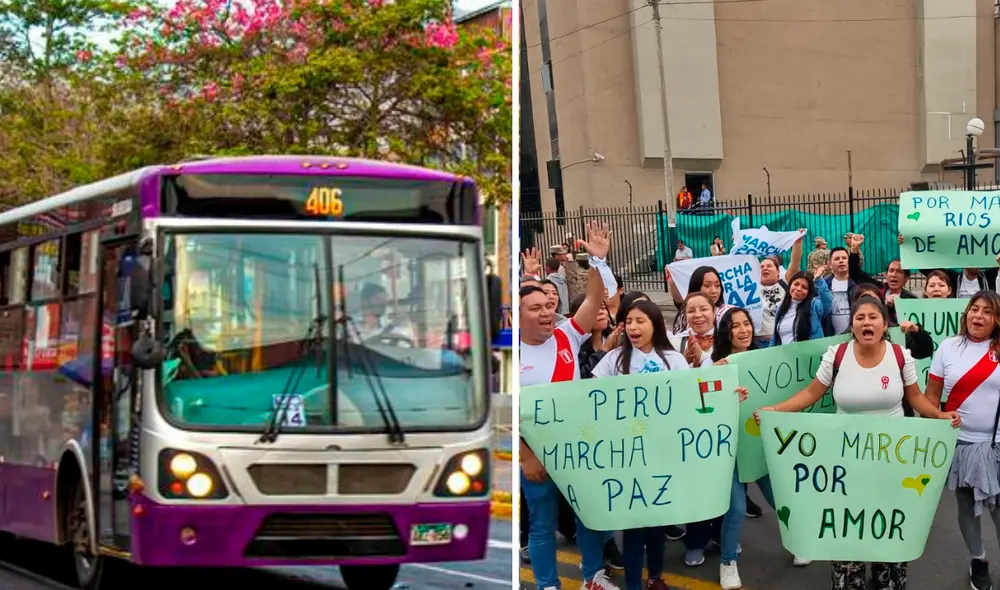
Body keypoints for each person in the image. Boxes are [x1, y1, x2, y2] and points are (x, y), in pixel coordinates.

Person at [757, 296, 960, 590]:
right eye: (860, 317)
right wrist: (776, 411)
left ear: (884, 323)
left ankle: (887, 580)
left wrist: (939, 415)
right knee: (848, 526)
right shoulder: (836, 355)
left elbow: (915, 397)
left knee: (887, 523)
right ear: (852, 324)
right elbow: (812, 393)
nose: (866, 322)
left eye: (873, 317)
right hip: (846, 465)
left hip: (891, 463)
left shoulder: (900, 355)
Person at [519, 220, 622, 590]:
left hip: (578, 447)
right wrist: (525, 455)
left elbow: (596, 300)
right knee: (542, 524)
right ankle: (548, 584)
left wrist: (597, 261)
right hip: (537, 454)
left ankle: (592, 576)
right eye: (534, 309)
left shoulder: (564, 334)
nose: (546, 312)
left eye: (548, 306)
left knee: (589, 515)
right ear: (517, 316)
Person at [592, 300, 690, 589]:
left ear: (655, 324)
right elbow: (591, 397)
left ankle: (655, 577)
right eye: (628, 322)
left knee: (657, 522)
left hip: (663, 453)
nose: (633, 327)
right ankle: (634, 583)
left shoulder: (674, 360)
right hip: (627, 457)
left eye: (640, 321)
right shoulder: (613, 361)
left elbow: (689, 400)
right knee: (633, 524)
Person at [711, 307, 812, 568]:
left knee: (779, 497)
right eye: (736, 326)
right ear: (726, 331)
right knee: (735, 508)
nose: (744, 330)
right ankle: (728, 562)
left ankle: (797, 541)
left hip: (759, 443)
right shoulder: (715, 366)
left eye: (747, 324)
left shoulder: (764, 358)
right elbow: (704, 409)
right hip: (730, 450)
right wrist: (718, 385)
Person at [924, 291, 1000, 590]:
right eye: (974, 309)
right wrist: (939, 416)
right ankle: (978, 560)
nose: (978, 316)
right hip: (962, 444)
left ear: (996, 320)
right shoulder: (948, 347)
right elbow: (931, 397)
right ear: (966, 313)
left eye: (987, 312)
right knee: (967, 505)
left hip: (997, 444)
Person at [846, 234, 915, 325]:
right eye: (891, 271)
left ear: (906, 278)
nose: (894, 275)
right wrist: (855, 248)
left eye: (899, 272)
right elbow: (855, 273)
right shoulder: (876, 289)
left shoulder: (911, 300)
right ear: (886, 274)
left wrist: (911, 246)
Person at [758, 232, 805, 347]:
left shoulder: (784, 284)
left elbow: (795, 263)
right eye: (762, 267)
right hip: (759, 343)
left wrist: (797, 243)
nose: (765, 269)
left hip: (782, 341)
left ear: (778, 271)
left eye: (769, 266)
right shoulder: (753, 289)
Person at [769, 268, 833, 346]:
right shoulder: (781, 307)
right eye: (796, 284)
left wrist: (818, 280)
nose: (798, 289)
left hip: (809, 356)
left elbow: (828, 304)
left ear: (809, 291)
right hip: (785, 357)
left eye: (804, 287)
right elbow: (774, 337)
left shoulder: (813, 306)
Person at [665, 266, 735, 332]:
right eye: (707, 286)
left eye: (717, 285)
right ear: (696, 287)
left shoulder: (729, 313)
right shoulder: (684, 316)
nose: (714, 291)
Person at [668, 292, 717, 367]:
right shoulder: (675, 342)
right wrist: (685, 360)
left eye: (704, 309)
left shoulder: (727, 340)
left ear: (713, 312)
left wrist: (701, 357)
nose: (697, 315)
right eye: (691, 311)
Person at [822, 247, 856, 336]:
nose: (841, 261)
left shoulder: (857, 284)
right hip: (830, 338)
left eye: (844, 258)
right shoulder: (824, 285)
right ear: (829, 264)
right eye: (837, 259)